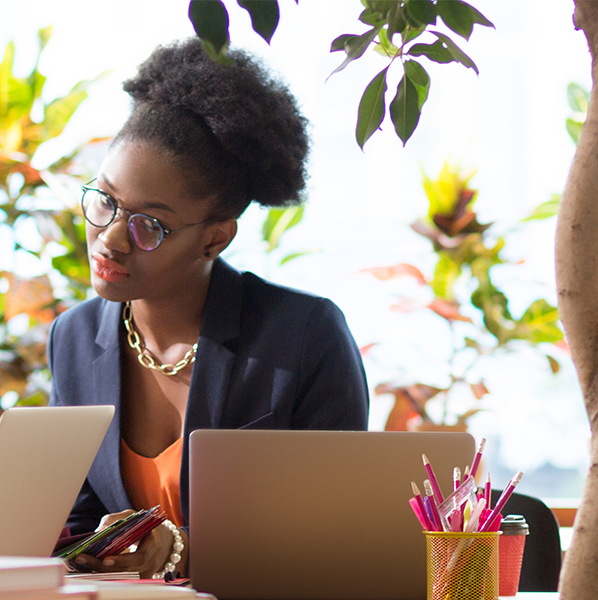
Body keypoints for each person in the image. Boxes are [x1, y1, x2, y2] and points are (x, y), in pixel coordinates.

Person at [47, 39, 371, 578]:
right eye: (105, 201)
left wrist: (187, 548)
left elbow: (334, 528)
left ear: (215, 238)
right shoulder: (74, 337)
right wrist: (89, 547)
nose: (109, 239)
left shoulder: (302, 336)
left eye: (147, 225)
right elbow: (80, 517)